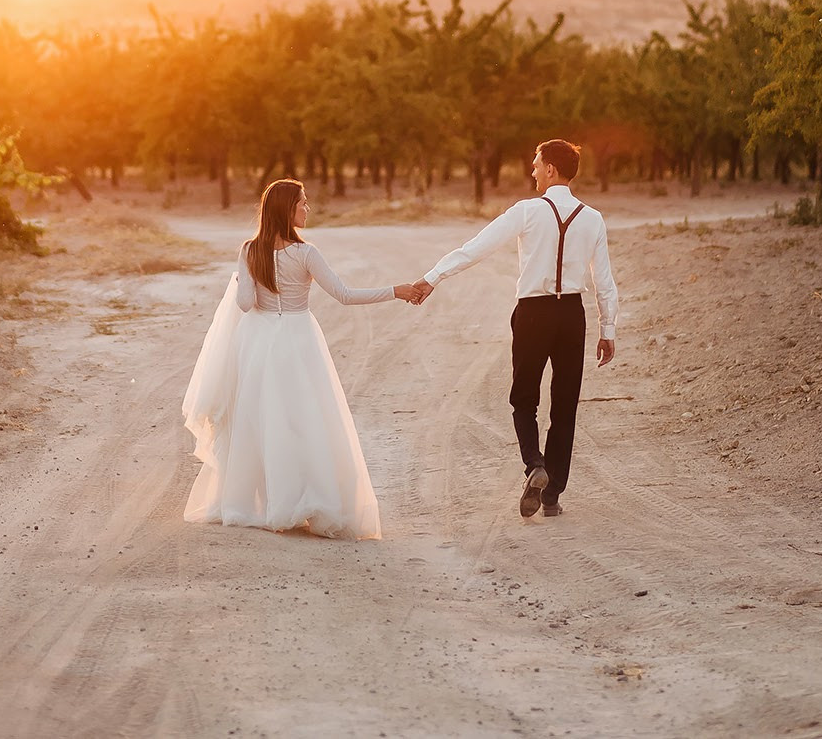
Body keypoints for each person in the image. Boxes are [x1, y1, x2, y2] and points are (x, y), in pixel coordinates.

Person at [181, 178, 423, 540]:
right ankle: (302, 500)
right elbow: (344, 295)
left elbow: (245, 304)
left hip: (259, 343)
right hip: (297, 340)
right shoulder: (307, 254)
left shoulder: (249, 251)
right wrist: (396, 291)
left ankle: (260, 502)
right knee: (302, 420)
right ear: (287, 210)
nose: (308, 209)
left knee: (261, 422)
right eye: (303, 203)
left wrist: (244, 279)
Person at [407, 138, 618, 519]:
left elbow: (476, 247)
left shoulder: (527, 211)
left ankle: (534, 464)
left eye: (536, 164)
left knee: (524, 398)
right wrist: (609, 328)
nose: (532, 170)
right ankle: (552, 493)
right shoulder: (593, 218)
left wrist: (432, 278)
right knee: (565, 403)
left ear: (551, 169)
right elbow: (603, 280)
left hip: (533, 313)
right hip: (572, 314)